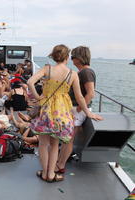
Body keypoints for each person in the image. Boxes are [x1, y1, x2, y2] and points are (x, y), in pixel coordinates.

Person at [27, 44, 102, 182]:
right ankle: (51, 174)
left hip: (46, 109)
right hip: (62, 111)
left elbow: (30, 82)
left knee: (43, 144)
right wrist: (88, 113)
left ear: (54, 56)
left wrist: (38, 97)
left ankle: (44, 173)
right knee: (55, 144)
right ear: (67, 57)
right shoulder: (72, 74)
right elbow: (79, 97)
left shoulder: (47, 69)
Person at [57, 46, 96, 173]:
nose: (71, 59)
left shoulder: (86, 72)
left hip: (77, 110)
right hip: (74, 109)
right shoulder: (82, 72)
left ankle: (61, 165)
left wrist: (79, 109)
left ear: (79, 58)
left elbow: (90, 93)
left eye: (73, 57)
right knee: (67, 138)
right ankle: (60, 161)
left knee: (68, 139)